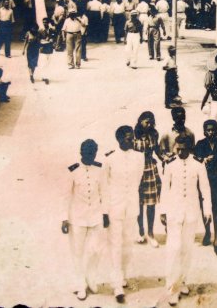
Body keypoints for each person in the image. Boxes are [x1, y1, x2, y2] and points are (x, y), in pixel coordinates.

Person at [160, 134, 212, 306]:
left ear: (190, 148)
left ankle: (182, 281)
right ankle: (172, 289)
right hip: (174, 212)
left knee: (187, 249)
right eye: (177, 149)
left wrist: (207, 211)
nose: (180, 152)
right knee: (174, 249)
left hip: (191, 212)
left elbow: (205, 188)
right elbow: (165, 189)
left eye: (183, 149)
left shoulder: (198, 164)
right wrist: (163, 211)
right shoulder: (170, 164)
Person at [62, 139, 108, 300]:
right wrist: (64, 219)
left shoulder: (99, 169)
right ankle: (80, 283)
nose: (90, 156)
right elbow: (66, 196)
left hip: (96, 216)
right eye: (87, 153)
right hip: (78, 218)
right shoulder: (72, 171)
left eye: (93, 153)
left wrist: (105, 214)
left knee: (96, 250)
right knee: (78, 252)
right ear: (81, 153)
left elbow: (104, 192)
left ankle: (91, 278)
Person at [103, 126, 144, 304]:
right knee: (115, 245)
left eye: (132, 138)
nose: (131, 141)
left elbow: (138, 180)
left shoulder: (139, 156)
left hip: (131, 206)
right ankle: (117, 284)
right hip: (114, 207)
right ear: (119, 139)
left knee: (127, 243)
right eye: (128, 138)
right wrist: (105, 211)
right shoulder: (110, 159)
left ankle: (123, 275)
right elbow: (104, 187)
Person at [194, 120, 217, 255]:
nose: (211, 132)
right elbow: (195, 158)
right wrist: (204, 160)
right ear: (204, 131)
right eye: (208, 130)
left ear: (216, 130)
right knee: (204, 206)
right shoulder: (200, 144)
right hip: (203, 180)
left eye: (213, 130)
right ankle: (207, 232)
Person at [133, 111, 164, 247]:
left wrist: (164, 158)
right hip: (137, 169)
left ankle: (150, 233)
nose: (149, 124)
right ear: (140, 121)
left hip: (150, 168)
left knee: (151, 204)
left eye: (151, 122)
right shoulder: (133, 135)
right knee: (139, 202)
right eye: (146, 121)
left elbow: (157, 149)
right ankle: (140, 231)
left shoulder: (154, 134)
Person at [39, 18, 55, 85]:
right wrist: (46, 40)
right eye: (43, 22)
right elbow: (39, 40)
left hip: (49, 49)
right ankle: (45, 77)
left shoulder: (51, 30)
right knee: (43, 63)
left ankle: (45, 76)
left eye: (46, 22)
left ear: (48, 23)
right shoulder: (40, 31)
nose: (44, 23)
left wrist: (52, 39)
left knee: (48, 63)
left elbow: (54, 37)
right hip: (43, 49)